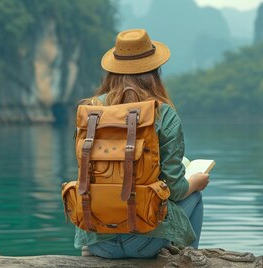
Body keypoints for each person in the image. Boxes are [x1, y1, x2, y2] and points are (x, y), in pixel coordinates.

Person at [74, 29, 210, 258]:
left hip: (97, 240)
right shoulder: (163, 114)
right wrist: (195, 182)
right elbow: (176, 191)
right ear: (155, 71)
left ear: (112, 71)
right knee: (195, 197)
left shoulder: (91, 111)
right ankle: (187, 260)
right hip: (146, 241)